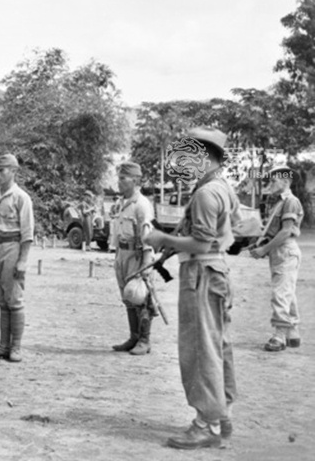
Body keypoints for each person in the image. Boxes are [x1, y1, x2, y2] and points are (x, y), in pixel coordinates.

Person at [145, 127, 239, 449]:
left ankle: (206, 425)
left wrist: (163, 240)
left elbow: (200, 242)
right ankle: (220, 415)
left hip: (201, 273)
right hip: (216, 271)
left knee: (200, 349)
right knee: (217, 346)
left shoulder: (205, 193)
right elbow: (224, 231)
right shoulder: (221, 188)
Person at [249, 165, 304, 352]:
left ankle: (280, 336)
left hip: (285, 250)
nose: (270, 183)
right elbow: (273, 231)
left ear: (286, 181)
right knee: (287, 291)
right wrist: (259, 244)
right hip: (279, 251)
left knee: (280, 293)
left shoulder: (291, 202)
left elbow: (286, 231)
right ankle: (293, 331)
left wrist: (264, 248)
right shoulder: (279, 202)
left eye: (274, 180)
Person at [0, 154, 34, 363]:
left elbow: (27, 234)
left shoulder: (21, 197)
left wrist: (23, 261)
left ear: (14, 171)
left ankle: (15, 346)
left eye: (3, 170)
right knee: (2, 300)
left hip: (13, 247)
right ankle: (3, 345)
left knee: (15, 300)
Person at [111, 162, 156, 355]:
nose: (119, 182)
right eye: (119, 178)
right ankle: (134, 337)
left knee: (142, 297)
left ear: (135, 181)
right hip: (123, 255)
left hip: (137, 256)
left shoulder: (142, 205)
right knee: (128, 298)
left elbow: (147, 236)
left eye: (123, 178)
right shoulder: (122, 203)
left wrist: (146, 264)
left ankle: (144, 340)